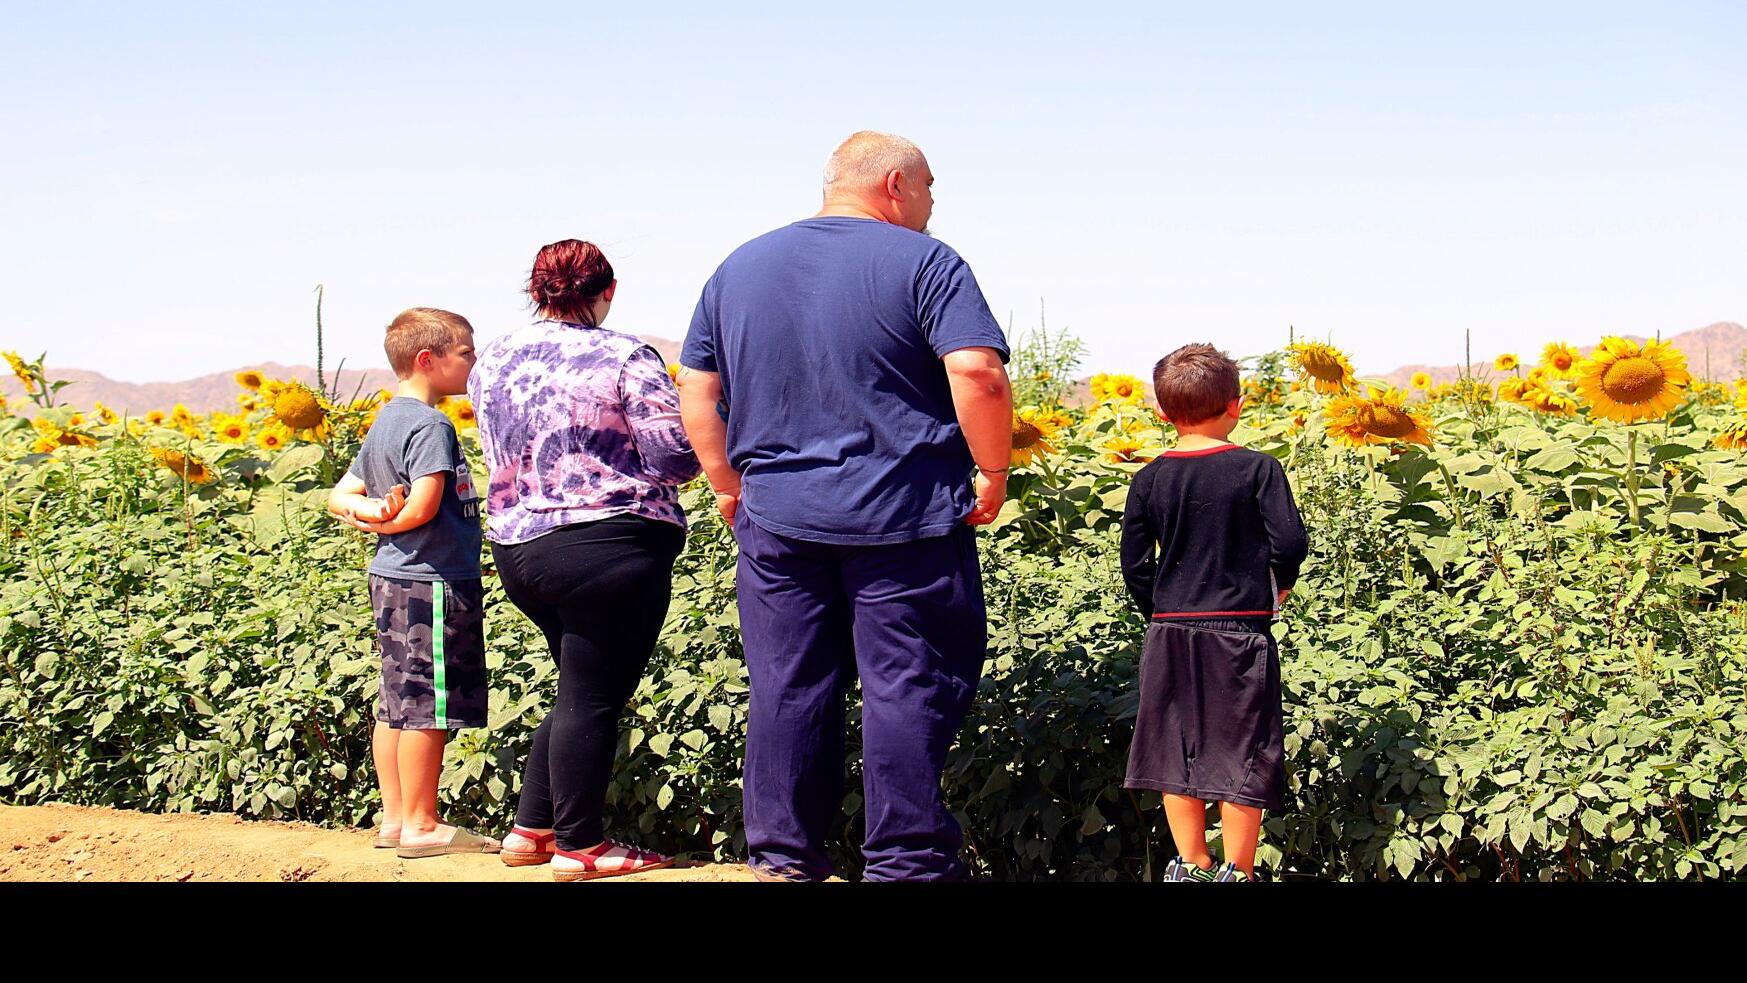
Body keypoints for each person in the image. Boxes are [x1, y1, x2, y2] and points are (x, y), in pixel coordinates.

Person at [676, 131, 1013, 881]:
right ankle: (906, 861)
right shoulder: (925, 261)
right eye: (928, 186)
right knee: (907, 684)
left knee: (788, 683)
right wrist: (992, 468)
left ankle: (783, 854)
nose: (930, 203)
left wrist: (725, 482)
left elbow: (696, 386)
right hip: (905, 516)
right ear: (895, 183)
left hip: (776, 518)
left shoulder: (740, 265)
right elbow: (976, 371)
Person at [469, 239, 701, 882]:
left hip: (519, 548)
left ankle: (530, 829)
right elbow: (674, 458)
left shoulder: (490, 359)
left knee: (577, 688)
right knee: (594, 696)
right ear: (608, 290)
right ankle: (582, 846)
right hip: (608, 543)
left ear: (536, 290)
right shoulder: (625, 355)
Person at [1118, 343, 1309, 882]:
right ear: (1236, 404)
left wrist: (1158, 611)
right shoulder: (1258, 469)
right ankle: (1238, 870)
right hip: (1240, 628)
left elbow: (1134, 562)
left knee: (1172, 744)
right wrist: (1279, 585)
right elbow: (1290, 540)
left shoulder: (1149, 478)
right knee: (1243, 746)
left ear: (1161, 413)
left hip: (1171, 630)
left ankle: (1190, 862)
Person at [327, 307, 499, 859]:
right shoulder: (431, 425)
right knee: (429, 700)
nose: (473, 363)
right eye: (466, 354)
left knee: (396, 699)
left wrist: (370, 511)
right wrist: (388, 517)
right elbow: (423, 509)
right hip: (431, 580)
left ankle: (395, 819)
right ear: (429, 359)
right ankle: (424, 825)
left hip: (392, 577)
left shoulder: (387, 419)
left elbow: (339, 496)